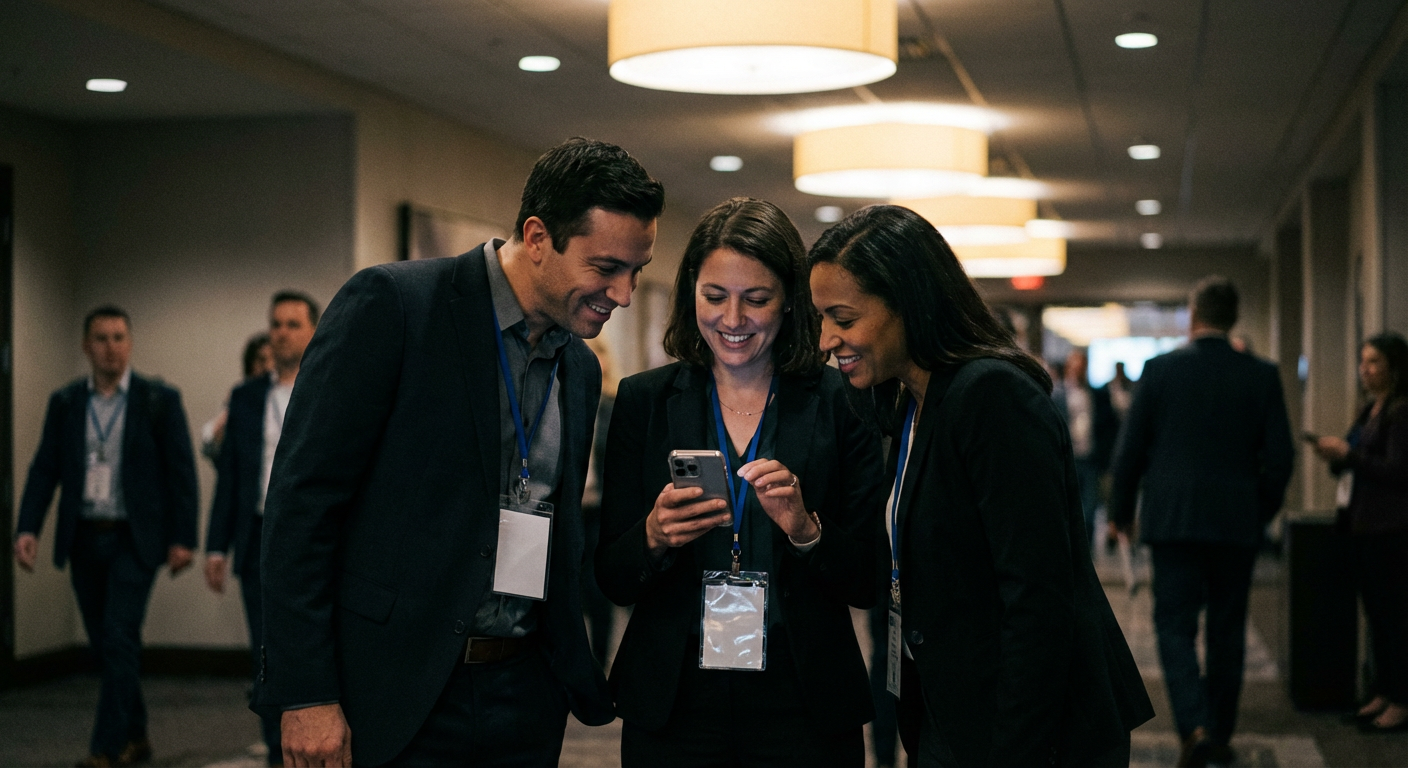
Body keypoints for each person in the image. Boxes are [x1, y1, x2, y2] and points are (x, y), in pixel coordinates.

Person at [256, 138, 663, 767]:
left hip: (524, 693)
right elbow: (302, 506)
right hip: (400, 690)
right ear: (536, 236)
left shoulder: (578, 369)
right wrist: (305, 691)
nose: (624, 292)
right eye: (606, 267)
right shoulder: (395, 307)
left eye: (635, 271)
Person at [807, 205, 1152, 767]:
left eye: (843, 318)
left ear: (907, 304)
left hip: (1027, 729)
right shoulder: (908, 404)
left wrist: (1014, 752)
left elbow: (1038, 598)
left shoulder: (990, 396)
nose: (826, 339)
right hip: (956, 713)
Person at [597, 197, 886, 767]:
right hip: (676, 700)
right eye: (714, 297)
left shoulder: (841, 403)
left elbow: (870, 580)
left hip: (801, 698)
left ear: (788, 305)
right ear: (690, 296)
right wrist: (653, 535)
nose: (732, 320)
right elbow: (610, 574)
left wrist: (807, 531)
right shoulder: (645, 401)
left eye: (756, 299)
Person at [1109, 277, 1294, 767]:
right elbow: (1281, 458)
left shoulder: (1160, 370)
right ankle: (1221, 730)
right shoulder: (1261, 374)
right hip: (1236, 523)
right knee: (1228, 628)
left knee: (1174, 624)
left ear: (1194, 316)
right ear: (1233, 318)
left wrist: (1121, 513)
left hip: (1173, 521)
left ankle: (1193, 726)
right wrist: (1260, 512)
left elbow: (1129, 452)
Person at [14, 306, 199, 768]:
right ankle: (136, 736)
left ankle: (107, 748)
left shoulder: (158, 400)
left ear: (130, 343)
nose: (111, 347)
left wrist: (184, 537)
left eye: (119, 337)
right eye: (101, 338)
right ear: (85, 346)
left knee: (117, 637)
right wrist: (27, 527)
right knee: (108, 644)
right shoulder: (67, 403)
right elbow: (44, 468)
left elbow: (181, 473)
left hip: (134, 541)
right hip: (84, 538)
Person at [203, 292, 320, 765]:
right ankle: (278, 752)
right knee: (266, 650)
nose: (282, 332)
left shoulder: (327, 385)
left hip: (313, 538)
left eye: (293, 324)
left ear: (313, 331)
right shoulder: (246, 396)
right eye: (276, 324)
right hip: (257, 534)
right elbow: (231, 476)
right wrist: (216, 547)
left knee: (314, 643)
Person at [1309, 331, 1408, 732]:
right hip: (1365, 525)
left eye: (1373, 362)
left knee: (1396, 617)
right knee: (1378, 616)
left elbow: (1398, 471)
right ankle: (1384, 691)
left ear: (1394, 368)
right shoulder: (1370, 408)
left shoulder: (1400, 412)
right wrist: (1337, 455)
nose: (1364, 370)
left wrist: (1349, 455)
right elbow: (1354, 460)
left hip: (1392, 529)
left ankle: (1401, 697)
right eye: (1362, 362)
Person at [1051, 349, 1118, 550]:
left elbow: (1109, 428)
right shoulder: (1057, 395)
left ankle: (1086, 552)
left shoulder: (1098, 395)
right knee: (1068, 509)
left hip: (1090, 459)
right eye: (1074, 368)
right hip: (1067, 459)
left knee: (1089, 510)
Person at [200, 333, 274, 464]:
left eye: (274, 360)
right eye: (262, 360)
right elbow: (209, 444)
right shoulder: (240, 400)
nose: (268, 367)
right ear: (250, 364)